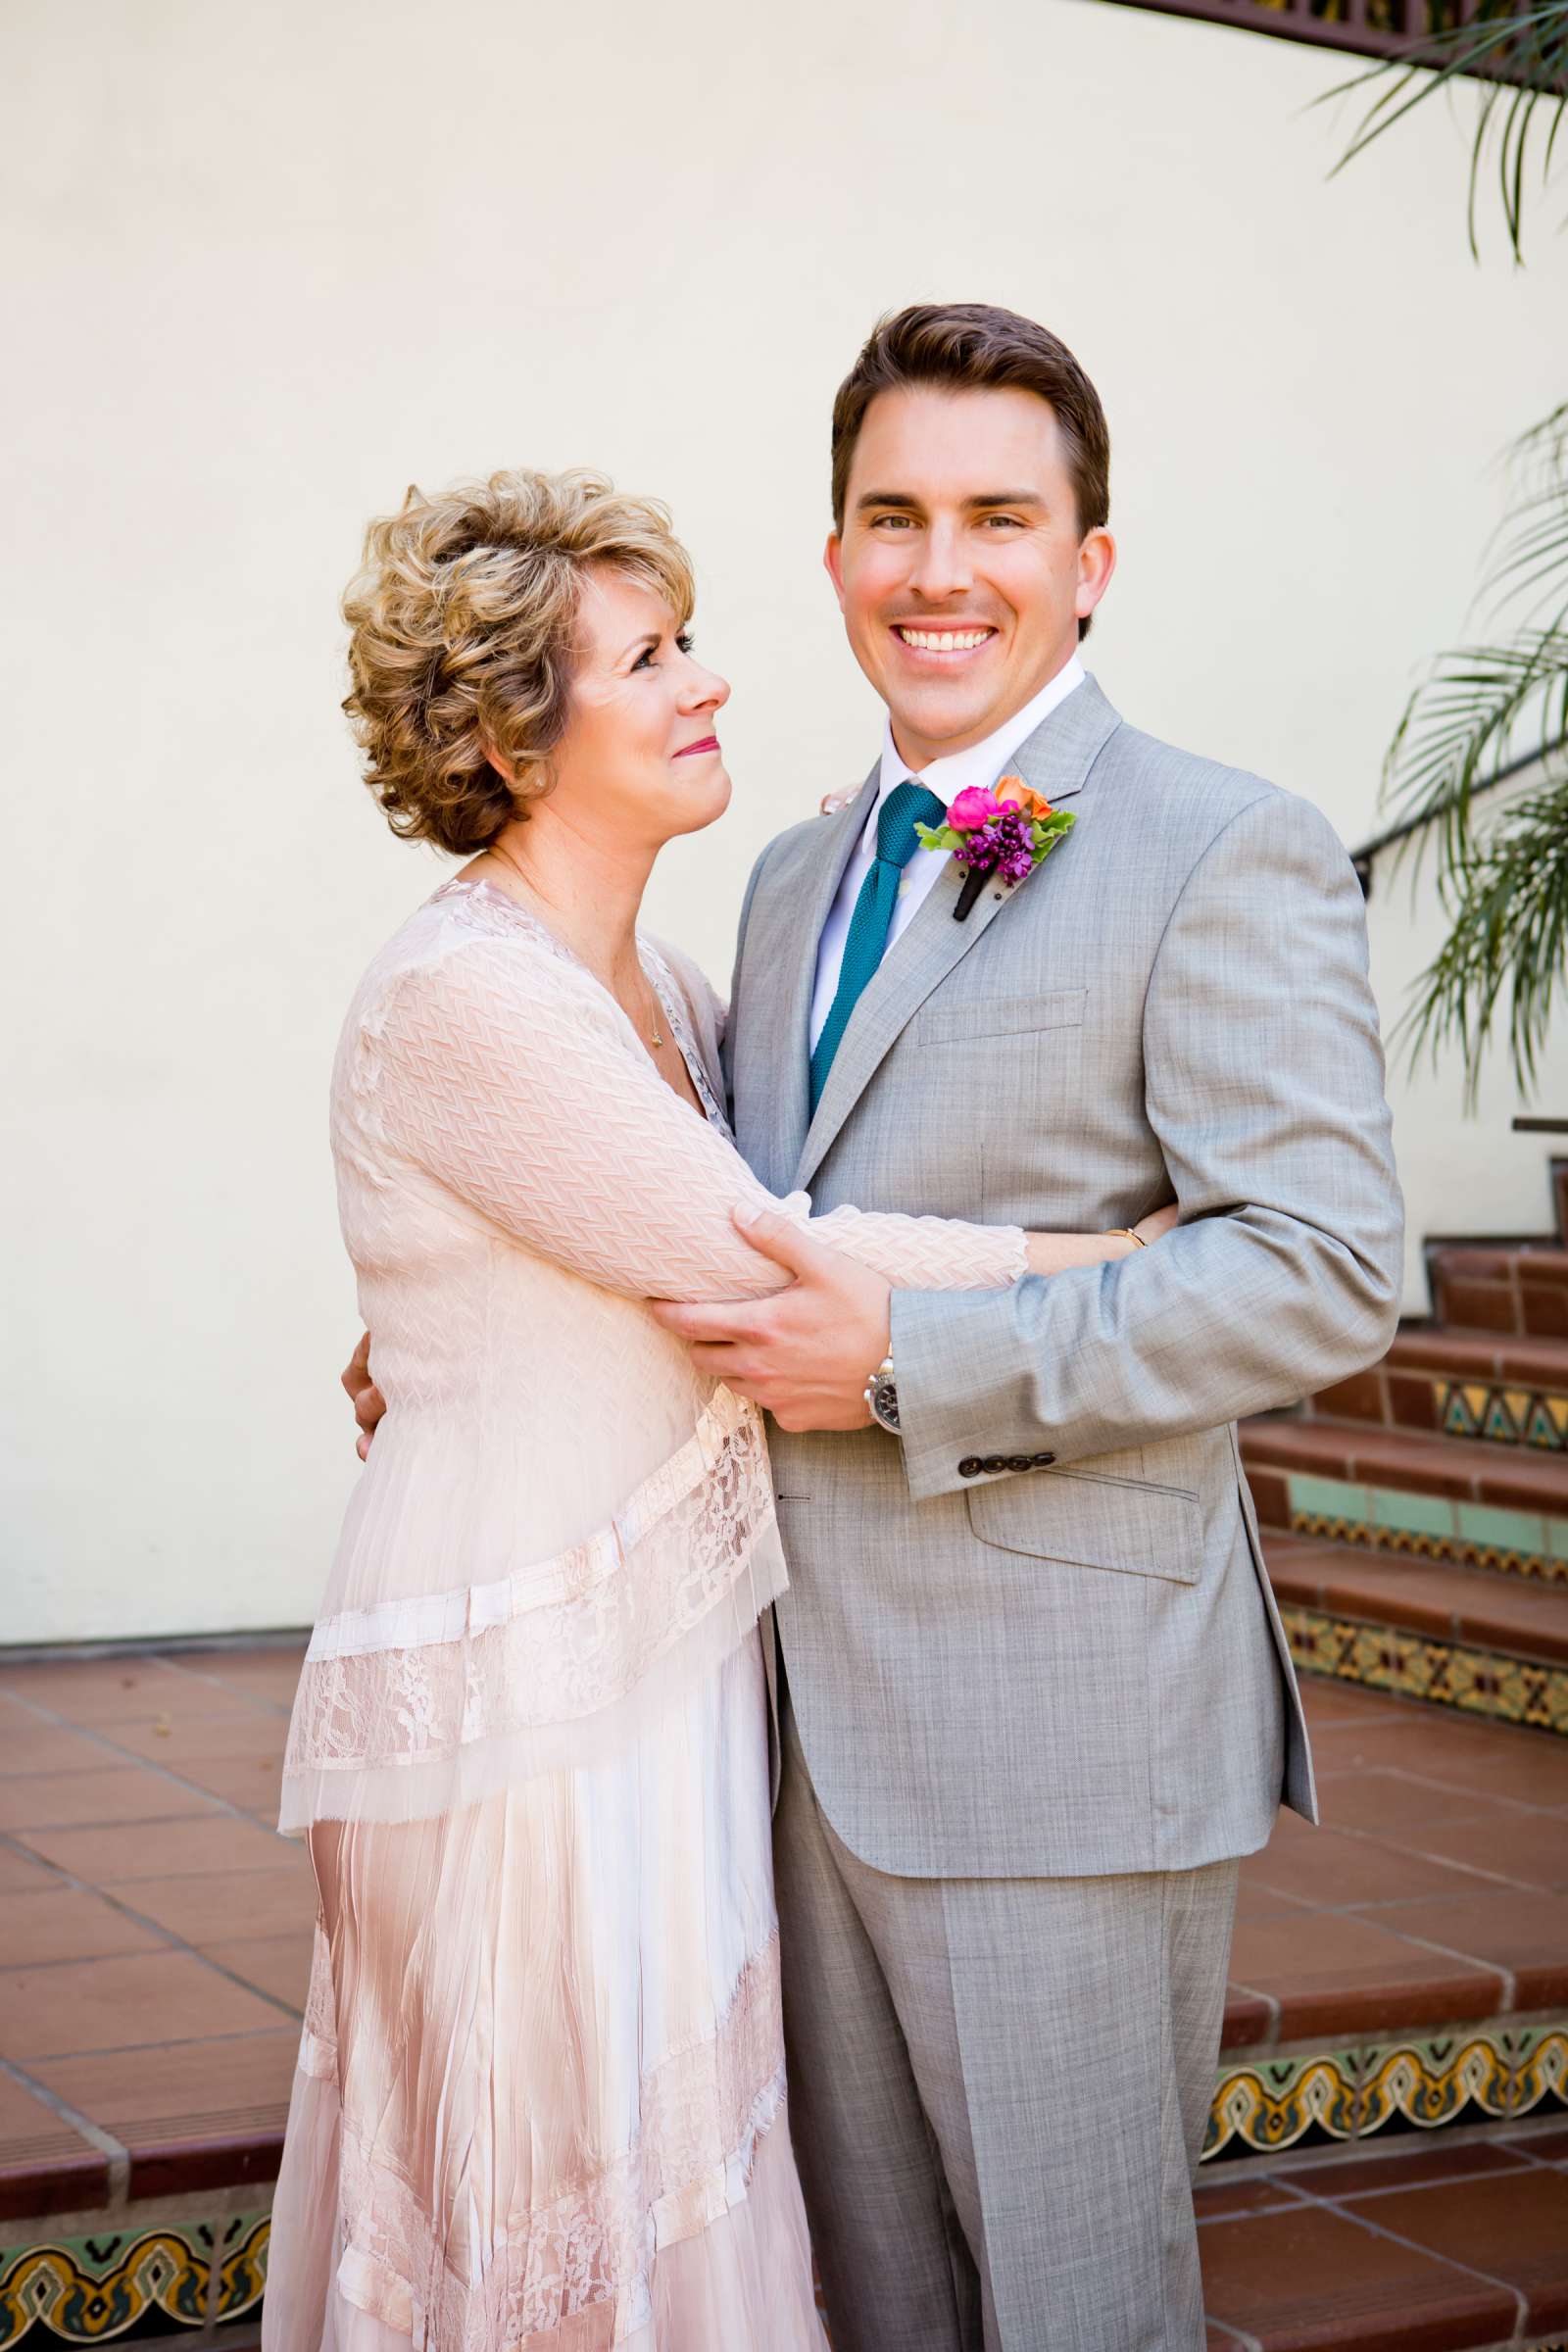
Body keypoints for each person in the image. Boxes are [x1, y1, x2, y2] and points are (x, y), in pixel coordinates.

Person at [278, 465, 1173, 2351]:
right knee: (561, 2173)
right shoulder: (470, 997)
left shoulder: (670, 985)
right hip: (526, 1675)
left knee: (676, 2158)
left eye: (687, 641)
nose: (708, 686)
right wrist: (1121, 1264)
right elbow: (779, 1255)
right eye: (646, 659)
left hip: (666, 1645)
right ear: (518, 735)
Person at [642, 305, 1405, 2352]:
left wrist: (914, 1365)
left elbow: (1325, 1262)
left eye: (998, 514)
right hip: (796, 1726)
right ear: (828, 561)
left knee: (1072, 2314)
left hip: (1064, 1732)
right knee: (882, 2304)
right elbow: (739, 1229)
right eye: (889, 517)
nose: (936, 567)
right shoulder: (792, 874)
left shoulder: (1212, 843)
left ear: (1087, 560)